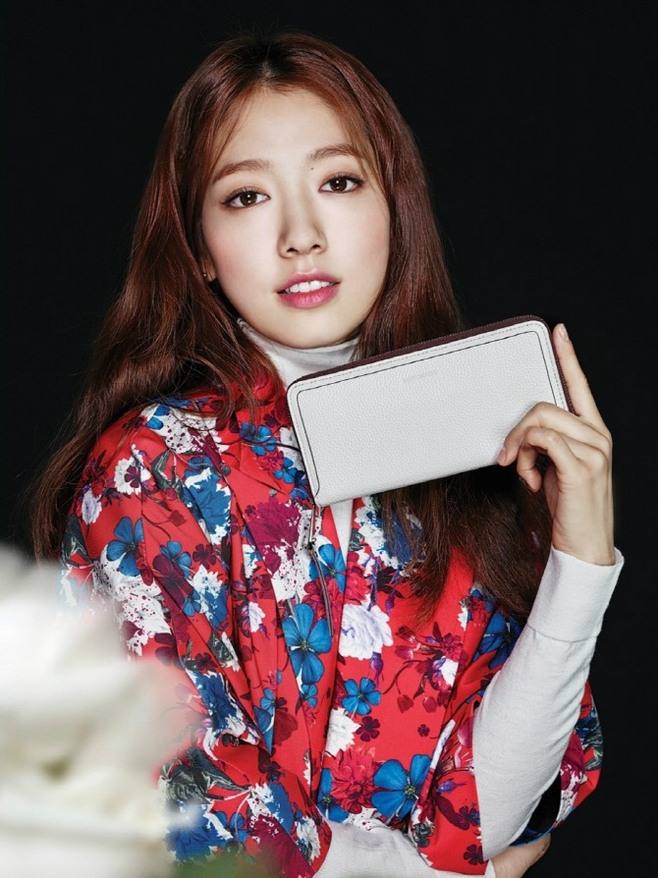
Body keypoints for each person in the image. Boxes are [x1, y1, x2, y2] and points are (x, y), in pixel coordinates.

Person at [30, 28, 624, 878]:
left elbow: (486, 815)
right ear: (199, 248)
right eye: (246, 197)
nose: (301, 234)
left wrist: (580, 562)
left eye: (338, 182)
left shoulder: (468, 462)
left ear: (395, 207)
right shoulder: (151, 471)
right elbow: (193, 811)